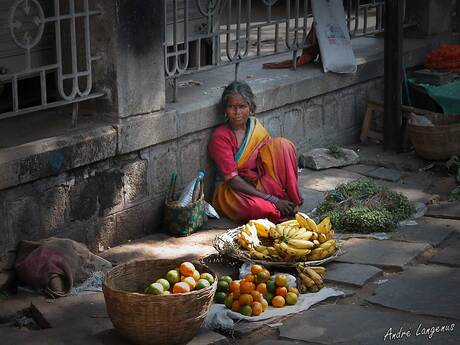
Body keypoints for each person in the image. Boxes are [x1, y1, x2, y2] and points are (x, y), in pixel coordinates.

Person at [208, 81, 302, 223]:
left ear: (251, 107)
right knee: (259, 208)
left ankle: (291, 200)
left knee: (283, 145)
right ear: (225, 110)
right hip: (233, 190)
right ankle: (278, 205)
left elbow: (270, 159)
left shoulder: (254, 127)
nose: (237, 113)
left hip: (257, 182)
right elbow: (232, 180)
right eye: (232, 107)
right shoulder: (220, 137)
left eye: (242, 106)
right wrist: (272, 199)